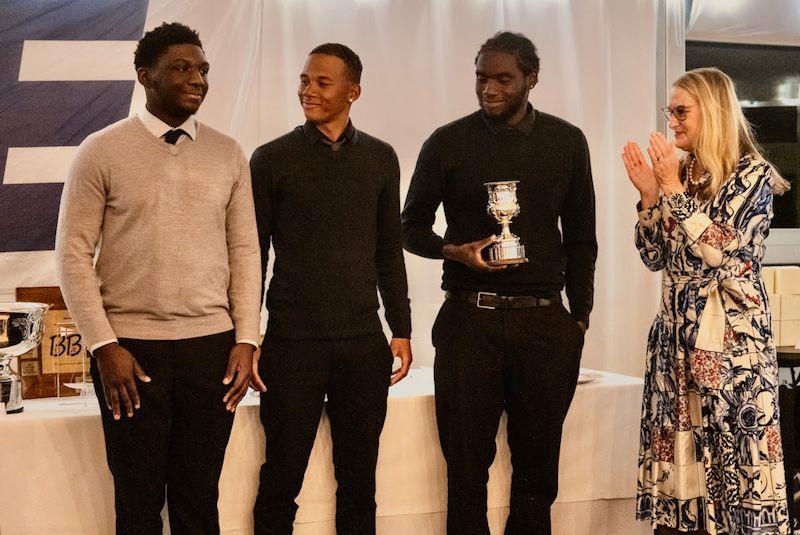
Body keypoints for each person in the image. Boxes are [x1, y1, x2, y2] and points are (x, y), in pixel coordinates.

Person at [55, 22, 261, 534]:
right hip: (130, 353)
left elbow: (246, 252)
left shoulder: (228, 153)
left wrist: (245, 338)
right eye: (183, 68)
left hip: (211, 351)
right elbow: (72, 254)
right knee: (138, 501)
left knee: (198, 501)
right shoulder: (100, 151)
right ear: (145, 77)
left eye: (203, 69)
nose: (198, 79)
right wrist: (104, 345)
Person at [402, 31, 596, 534]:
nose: (488, 88)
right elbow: (409, 226)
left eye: (502, 79)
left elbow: (581, 237)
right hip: (469, 320)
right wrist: (455, 251)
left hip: (544, 324)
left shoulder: (566, 141)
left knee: (538, 474)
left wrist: (578, 317)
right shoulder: (446, 142)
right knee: (465, 470)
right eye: (481, 77)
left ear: (531, 79)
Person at [249, 43, 412, 535]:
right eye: (303, 80)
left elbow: (389, 250)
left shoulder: (381, 158)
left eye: (322, 82)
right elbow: (252, 256)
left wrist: (400, 328)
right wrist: (245, 334)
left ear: (352, 92)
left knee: (359, 483)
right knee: (280, 478)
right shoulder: (271, 159)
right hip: (291, 342)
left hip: (363, 343)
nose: (307, 90)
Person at [623, 67, 792, 535]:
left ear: (712, 112)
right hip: (677, 342)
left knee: (735, 466)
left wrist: (671, 190)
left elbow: (717, 249)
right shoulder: (685, 173)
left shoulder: (751, 176)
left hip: (731, 349)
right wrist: (649, 196)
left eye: (681, 111)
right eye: (669, 111)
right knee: (682, 478)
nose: (671, 121)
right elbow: (654, 255)